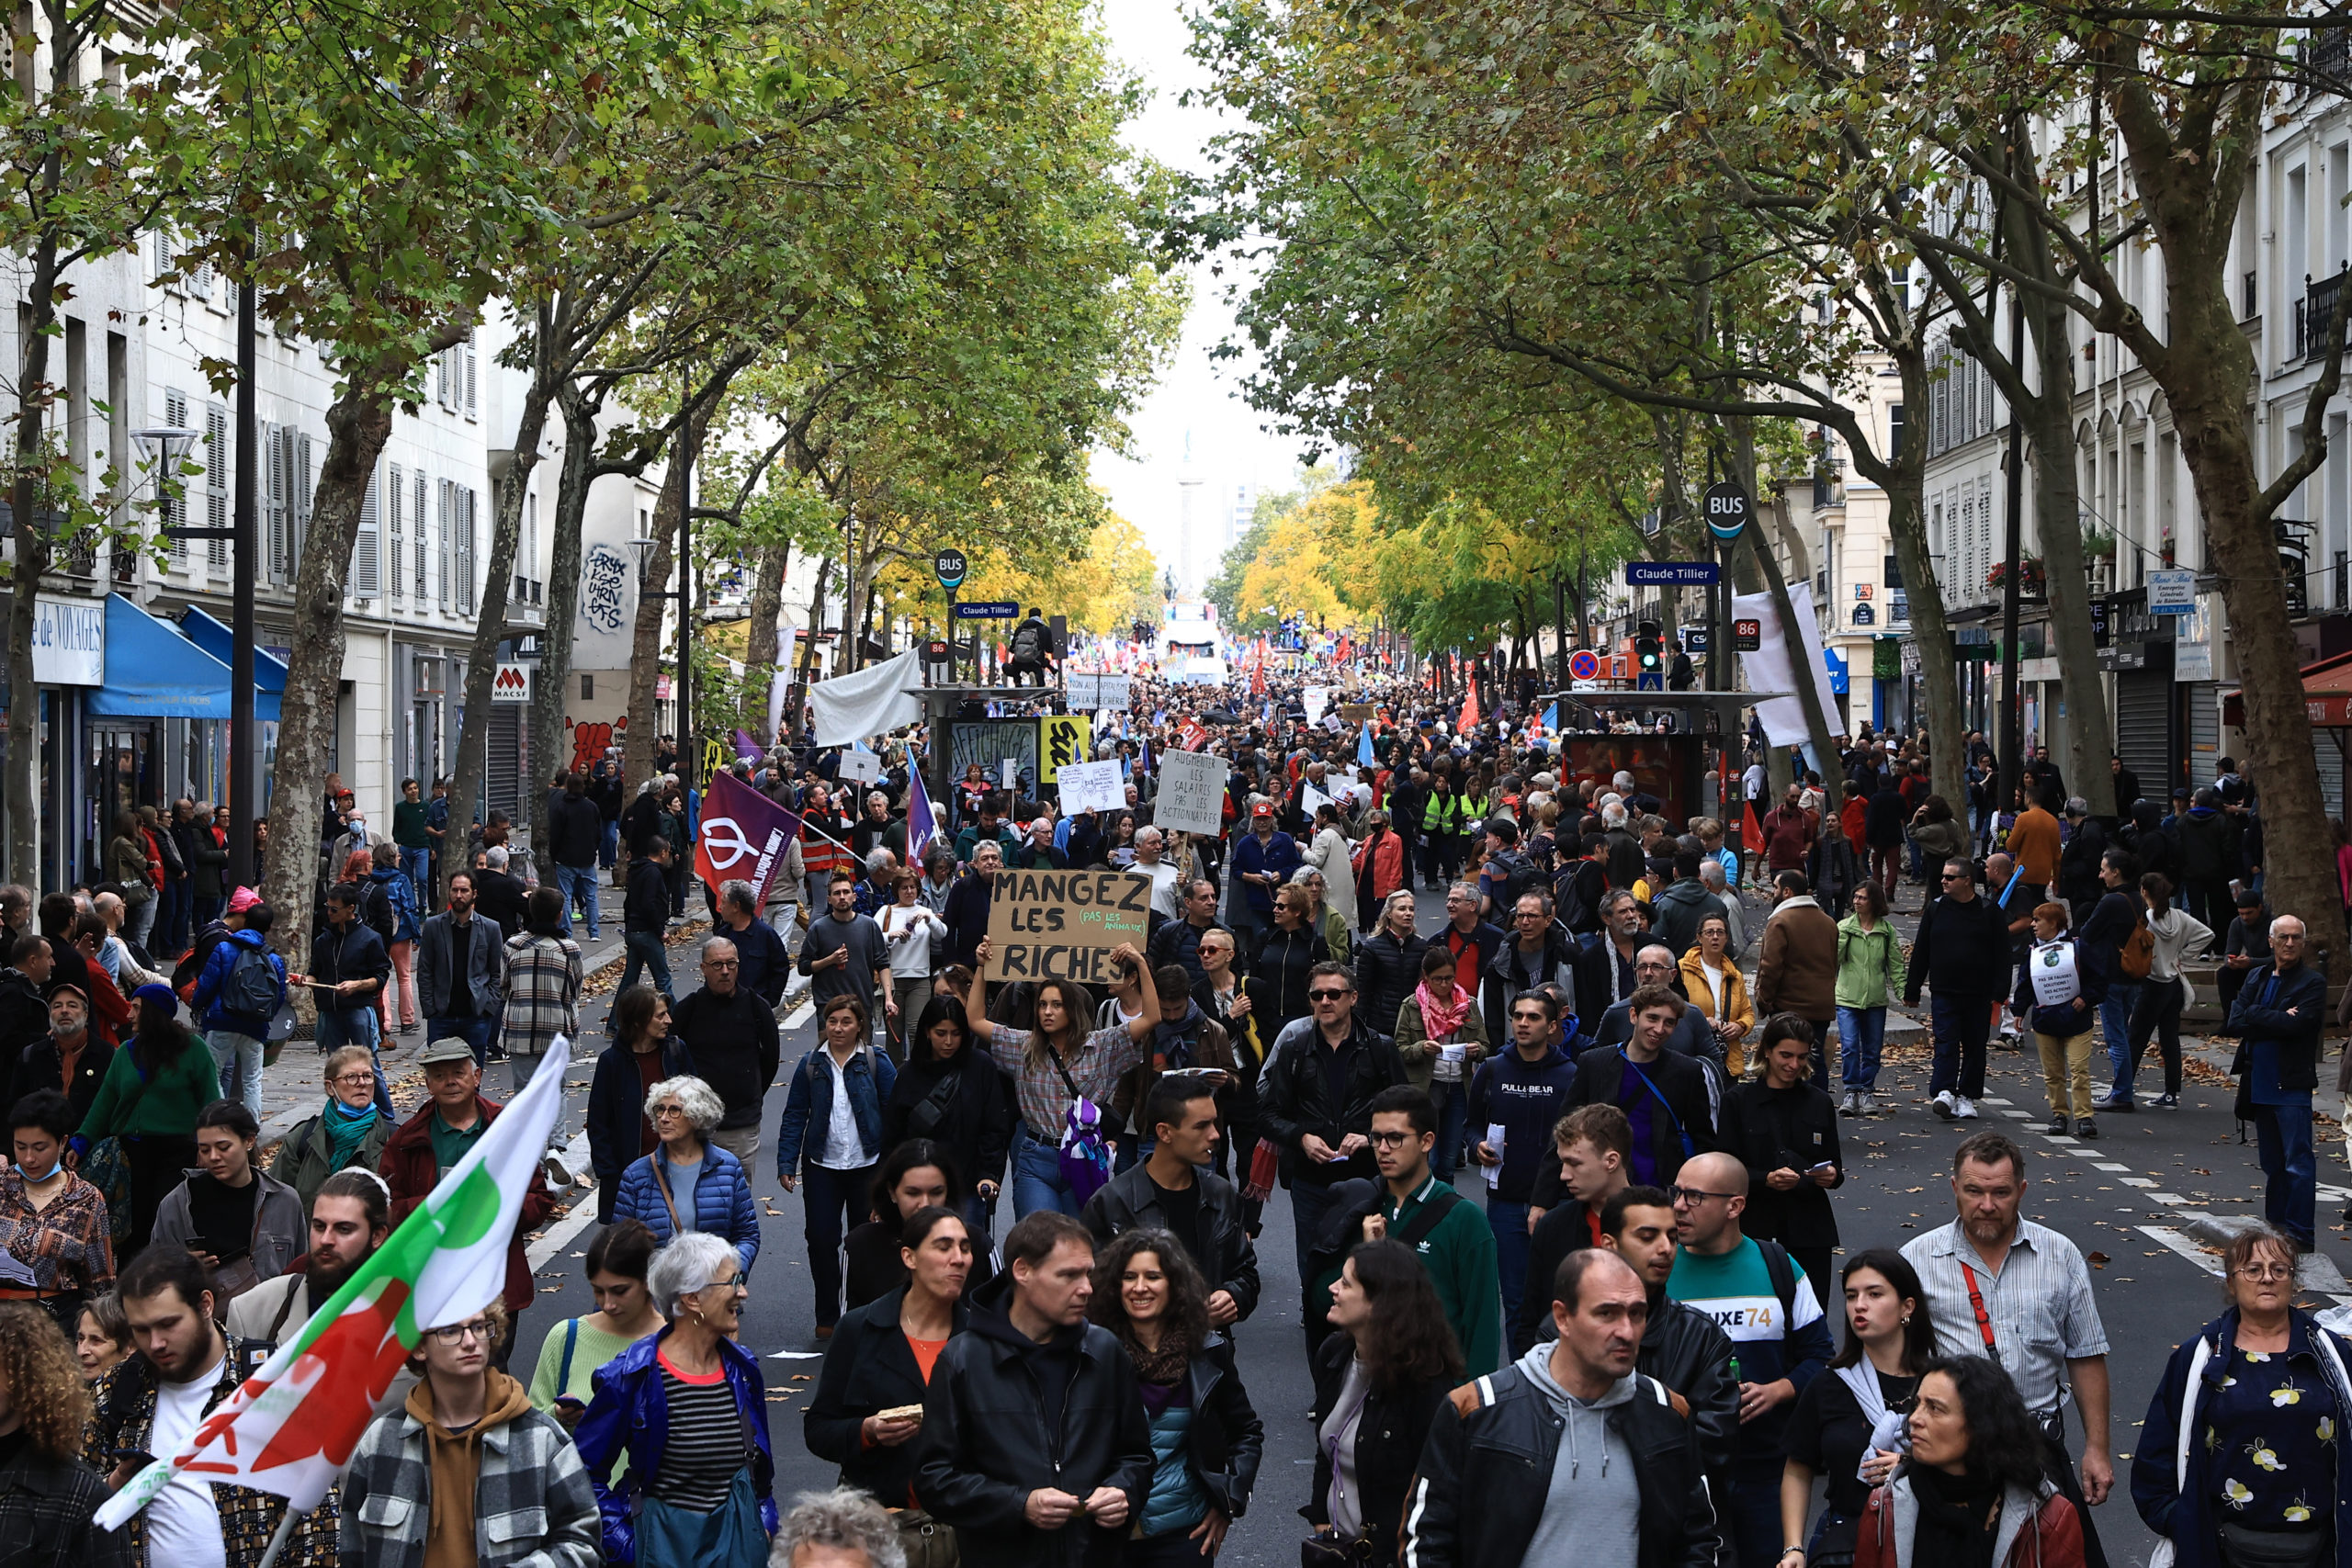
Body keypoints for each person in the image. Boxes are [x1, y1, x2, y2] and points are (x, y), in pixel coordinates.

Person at [1403, 1246, 1724, 1568]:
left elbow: (1697, 1540)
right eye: (1606, 1313)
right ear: (1562, 1317)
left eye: (1637, 1314)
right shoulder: (1477, 1408)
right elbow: (1427, 1540)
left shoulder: (1667, 1412)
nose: (1626, 1331)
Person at [1901, 1132, 2115, 1565]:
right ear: (1954, 1188)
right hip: (1951, 1459)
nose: (1986, 1205)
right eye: (1974, 1191)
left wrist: (2097, 1448)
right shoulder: (1916, 1260)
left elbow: (2086, 1355)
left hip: (2037, 1452)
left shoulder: (2061, 1255)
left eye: (2001, 1193)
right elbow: (1892, 1361)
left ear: (2021, 1190)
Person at [909, 1211, 1153, 1568]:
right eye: (1068, 1275)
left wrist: (1123, 1490)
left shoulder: (1105, 1352)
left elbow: (1137, 1456)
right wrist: (1019, 1504)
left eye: (1088, 1273)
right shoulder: (963, 1360)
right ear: (1022, 1271)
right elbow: (935, 1479)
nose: (1086, 1288)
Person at [85, 1247, 337, 1568]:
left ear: (205, 1305)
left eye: (168, 1324)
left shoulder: (269, 1380)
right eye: (142, 1330)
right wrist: (115, 1485)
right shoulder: (118, 1388)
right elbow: (71, 1508)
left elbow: (319, 1518)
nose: (156, 1343)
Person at [2133, 1224, 2352, 1568]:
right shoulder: (2199, 1358)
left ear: (2294, 1284)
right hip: (2219, 1550)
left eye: (2279, 1270)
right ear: (2231, 1283)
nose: (2267, 1278)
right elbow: (2156, 1453)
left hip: (2322, 1550)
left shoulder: (2330, 1353)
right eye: (2253, 1269)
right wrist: (2185, 1523)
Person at [341, 1284, 601, 1568]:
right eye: (451, 1331)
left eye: (479, 1327)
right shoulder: (381, 1441)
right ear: (418, 1347)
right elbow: (354, 1549)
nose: (470, 1341)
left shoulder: (542, 1440)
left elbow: (584, 1544)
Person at [574, 1233, 778, 1568]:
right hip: (664, 1553)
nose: (743, 1292)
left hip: (738, 1552)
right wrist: (629, 1548)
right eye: (732, 1282)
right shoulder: (631, 1376)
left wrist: (764, 1524)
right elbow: (582, 1476)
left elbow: (760, 1476)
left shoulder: (743, 1369)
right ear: (693, 1299)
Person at [1086, 1227, 1264, 1564]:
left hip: (1184, 1537)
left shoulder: (1209, 1352)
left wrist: (1228, 1502)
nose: (1140, 1287)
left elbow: (1247, 1432)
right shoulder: (1092, 1354)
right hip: (1108, 1537)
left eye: (1153, 1276)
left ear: (1174, 1286)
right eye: (1129, 1277)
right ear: (1114, 1286)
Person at [807, 1205, 973, 1551]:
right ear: (909, 1257)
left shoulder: (984, 1339)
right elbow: (820, 1429)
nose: (959, 1258)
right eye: (943, 1247)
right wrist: (867, 1431)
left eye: (965, 1247)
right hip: (878, 1533)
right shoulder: (860, 1328)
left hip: (965, 1533)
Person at [380, 1040, 554, 1365]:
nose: (450, 1081)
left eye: (458, 1073)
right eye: (440, 1074)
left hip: (496, 1283)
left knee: (492, 1374)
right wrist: (435, 1208)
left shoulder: (507, 1129)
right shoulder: (407, 1139)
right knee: (437, 1373)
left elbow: (539, 1201)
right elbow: (388, 1210)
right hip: (432, 1283)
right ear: (428, 1083)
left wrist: (493, 1210)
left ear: (477, 1076)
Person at [964, 938, 1159, 1219]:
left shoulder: (1103, 1045)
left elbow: (1152, 1017)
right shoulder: (1023, 1045)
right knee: (1039, 1242)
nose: (1047, 1011)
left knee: (1078, 1243)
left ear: (1073, 1009)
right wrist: (982, 968)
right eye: (1042, 1004)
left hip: (1084, 1159)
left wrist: (1139, 964)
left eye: (1057, 1004)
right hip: (1035, 1157)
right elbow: (975, 1020)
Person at [1306, 1239, 1464, 1568]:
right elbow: (1328, 1444)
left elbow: (1439, 1492)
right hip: (1340, 1552)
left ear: (1379, 1304)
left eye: (1346, 1283)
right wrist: (1321, 1514)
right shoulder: (1334, 1356)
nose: (1333, 1288)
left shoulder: (1425, 1385)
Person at [1778, 1250, 1938, 1568]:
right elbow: (1798, 1468)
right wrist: (1793, 1548)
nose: (1859, 1305)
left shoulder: (1941, 1385)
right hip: (1844, 1544)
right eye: (1851, 1296)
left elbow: (1970, 1463)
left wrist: (1909, 1466)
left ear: (1907, 1307)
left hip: (1928, 1539)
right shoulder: (1829, 1385)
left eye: (1874, 1294)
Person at [1851, 1357, 2086, 1568]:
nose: (1914, 1419)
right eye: (1917, 1404)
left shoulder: (2048, 1518)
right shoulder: (1884, 1508)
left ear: (1981, 1425)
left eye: (1934, 1408)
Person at [1256, 960, 1408, 1282]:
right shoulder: (1295, 1050)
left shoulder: (1380, 1049)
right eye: (1317, 995)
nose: (1324, 1001)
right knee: (1314, 1270)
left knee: (1368, 1268)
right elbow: (1269, 1114)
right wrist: (1301, 1138)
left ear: (1353, 997)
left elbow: (1407, 1111)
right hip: (1311, 1180)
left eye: (1333, 994)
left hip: (1368, 1179)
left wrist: (1370, 1138)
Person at [1080, 1077, 1260, 1328]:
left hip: (1210, 1356)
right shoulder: (1111, 1203)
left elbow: (1245, 1272)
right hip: (1137, 1356)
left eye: (1215, 1122)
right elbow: (1093, 1294)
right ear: (1165, 1132)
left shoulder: (1222, 1195)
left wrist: (1233, 1295)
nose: (1215, 1135)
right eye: (1201, 1126)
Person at [75, 987, 221, 1258]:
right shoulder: (125, 1053)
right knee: (133, 1226)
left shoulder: (194, 1049)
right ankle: (130, 1288)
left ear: (154, 1012)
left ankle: (166, 1279)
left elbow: (211, 1102)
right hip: (132, 1155)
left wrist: (207, 1146)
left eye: (137, 1007)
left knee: (164, 1218)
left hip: (177, 1153)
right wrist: (82, 1140)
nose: (129, 1014)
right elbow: (105, 1102)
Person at [1468, 990, 1579, 1321]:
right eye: (1518, 1016)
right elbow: (1471, 1125)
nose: (1523, 1024)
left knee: (1558, 1302)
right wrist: (1476, 1146)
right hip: (1506, 1202)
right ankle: (1522, 1372)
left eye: (1533, 1017)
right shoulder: (1491, 1070)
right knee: (1515, 1301)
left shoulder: (1570, 1074)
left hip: (1558, 1202)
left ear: (1552, 1026)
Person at [1720, 1018, 1844, 1308]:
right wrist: (1765, 1179)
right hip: (1755, 1225)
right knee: (1755, 1310)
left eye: (1801, 1057)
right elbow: (1725, 1170)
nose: (1793, 1065)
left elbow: (1835, 1166)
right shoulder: (1738, 1101)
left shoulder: (1819, 1102)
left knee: (1810, 1311)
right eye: (1785, 1055)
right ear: (1766, 1052)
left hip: (1809, 1227)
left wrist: (1831, 1175)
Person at [0, 1298, 128, 1567]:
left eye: (96, 1340)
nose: (84, 1350)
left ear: (24, 1377)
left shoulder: (79, 1496)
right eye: (80, 1339)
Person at [2229, 915, 2326, 1249]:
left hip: (2291, 1084)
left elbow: (2298, 1027)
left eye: (2296, 937)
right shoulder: (2256, 975)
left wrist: (2258, 1016)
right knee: (2272, 1163)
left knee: (2298, 1163)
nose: (2289, 943)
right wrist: (2276, 1017)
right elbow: (2236, 1018)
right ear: (2270, 941)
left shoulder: (2311, 983)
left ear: (2303, 942)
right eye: (2283, 937)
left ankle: (2300, 1234)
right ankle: (2276, 1228)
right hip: (2259, 1081)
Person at [148, 1099, 304, 1303]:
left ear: (249, 1141)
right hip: (202, 1323)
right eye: (204, 1149)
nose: (213, 1157)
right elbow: (151, 1276)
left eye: (223, 1147)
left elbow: (302, 1272)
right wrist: (179, 1268)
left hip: (270, 1324)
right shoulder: (177, 1204)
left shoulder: (285, 1201)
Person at [1564, 983, 1715, 1188]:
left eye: (1669, 1023)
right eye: (1652, 1018)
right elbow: (1566, 1129)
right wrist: (1544, 1199)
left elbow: (1703, 1137)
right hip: (1602, 1187)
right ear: (1634, 1015)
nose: (1659, 1029)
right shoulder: (1594, 1063)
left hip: (1661, 1188)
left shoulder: (1686, 1071)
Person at [881, 994, 1012, 1231]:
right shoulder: (908, 1075)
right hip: (920, 1186)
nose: (949, 1041)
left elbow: (994, 1126)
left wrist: (989, 1173)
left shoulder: (981, 1067)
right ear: (927, 1032)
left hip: (968, 1185)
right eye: (941, 1034)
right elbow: (894, 1135)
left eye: (956, 1033)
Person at [226, 1168, 390, 1348]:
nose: (326, 1240)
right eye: (319, 1226)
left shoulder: (409, 1317)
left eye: (344, 1229)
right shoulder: (252, 1309)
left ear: (377, 1236)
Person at [614, 1075, 761, 1273]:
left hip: (712, 1293)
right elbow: (618, 1248)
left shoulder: (727, 1167)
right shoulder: (636, 1175)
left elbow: (746, 1235)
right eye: (660, 1109)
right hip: (655, 1297)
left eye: (674, 1110)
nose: (664, 1118)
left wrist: (731, 1274)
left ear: (697, 1116)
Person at [526, 1218, 662, 1429]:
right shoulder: (565, 1337)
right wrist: (558, 1415)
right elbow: (531, 1423)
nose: (608, 1304)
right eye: (598, 1291)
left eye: (620, 1291)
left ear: (647, 1281)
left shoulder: (675, 1342)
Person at [1905, 859, 2010, 1122]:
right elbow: (1922, 950)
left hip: (1979, 992)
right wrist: (1913, 988)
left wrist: (2000, 991)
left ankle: (1967, 1095)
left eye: (1950, 877)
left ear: (1967, 880)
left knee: (1975, 1045)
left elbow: (2002, 954)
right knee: (1945, 1041)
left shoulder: (1989, 912)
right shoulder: (1936, 909)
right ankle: (1944, 1090)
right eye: (1943, 876)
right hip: (1944, 990)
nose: (1944, 881)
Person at [0, 1089, 112, 1335]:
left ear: (62, 1142)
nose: (29, 1158)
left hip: (55, 1323)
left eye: (40, 1148)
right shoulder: (2, 1186)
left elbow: (99, 1282)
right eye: (21, 1147)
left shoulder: (85, 1199)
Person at [843, 1142, 994, 1311]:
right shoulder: (860, 1245)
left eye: (936, 1192)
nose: (925, 1204)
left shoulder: (977, 1243)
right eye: (913, 1193)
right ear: (892, 1192)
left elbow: (1005, 1323)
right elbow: (848, 1328)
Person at [672, 935, 783, 1165]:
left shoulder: (756, 1007)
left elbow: (770, 1059)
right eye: (717, 965)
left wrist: (751, 1095)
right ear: (703, 968)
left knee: (738, 1195)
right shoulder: (688, 1009)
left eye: (731, 964)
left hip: (741, 1125)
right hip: (696, 1123)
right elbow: (672, 1056)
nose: (725, 971)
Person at [587, 986, 695, 1224]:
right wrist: (610, 1172)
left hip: (677, 1170)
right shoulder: (611, 1063)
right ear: (637, 1021)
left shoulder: (677, 1051)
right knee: (632, 1252)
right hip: (629, 1176)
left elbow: (698, 1106)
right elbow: (598, 1122)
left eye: (667, 1013)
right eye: (660, 1015)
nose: (669, 1020)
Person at [2111, 872, 2211, 1113]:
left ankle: (2122, 1089)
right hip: (2174, 983)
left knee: (2136, 1038)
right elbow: (2207, 934)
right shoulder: (2179, 917)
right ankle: (2170, 1093)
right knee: (2170, 1039)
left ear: (2144, 891)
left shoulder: (2145, 919)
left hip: (2152, 982)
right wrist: (2182, 957)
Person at [1392, 945, 1488, 1184]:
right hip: (1427, 1086)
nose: (1444, 984)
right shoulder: (1412, 1005)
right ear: (1426, 976)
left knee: (1448, 1159)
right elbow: (1398, 1049)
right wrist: (1421, 1048)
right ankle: (1428, 1208)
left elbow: (1486, 1045)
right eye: (1437, 979)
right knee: (1430, 1158)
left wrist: (1477, 1050)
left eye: (1449, 978)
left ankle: (1445, 1210)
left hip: (1458, 1085)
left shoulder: (1469, 1005)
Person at [2012, 902, 2105, 1141]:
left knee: (2078, 1069)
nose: (2033, 925)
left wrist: (2086, 998)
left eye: (2037, 920)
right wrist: (2019, 1010)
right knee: (2052, 1072)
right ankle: (2059, 1114)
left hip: (2077, 1021)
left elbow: (2100, 979)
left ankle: (2084, 1117)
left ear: (2053, 924)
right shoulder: (2032, 950)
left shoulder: (2078, 947)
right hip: (2046, 1021)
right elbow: (2024, 983)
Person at [188, 898, 285, 1124]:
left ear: (244, 922)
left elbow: (207, 983)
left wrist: (198, 1007)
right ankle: (251, 1130)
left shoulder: (224, 948)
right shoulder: (274, 959)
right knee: (253, 1080)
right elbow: (278, 996)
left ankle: (219, 1124)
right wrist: (266, 1018)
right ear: (269, 927)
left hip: (223, 1021)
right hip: (256, 1025)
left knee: (213, 1074)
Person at [293, 883, 392, 1095]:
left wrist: (357, 985)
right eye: (327, 907)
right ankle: (340, 1112)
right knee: (335, 1069)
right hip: (330, 1011)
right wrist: (305, 980)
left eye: (334, 909)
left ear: (351, 909)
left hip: (358, 1009)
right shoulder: (323, 940)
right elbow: (315, 972)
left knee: (369, 1066)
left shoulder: (370, 938)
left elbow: (381, 976)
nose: (328, 913)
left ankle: (384, 1116)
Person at [416, 868, 508, 1067]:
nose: (459, 895)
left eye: (464, 890)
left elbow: (496, 972)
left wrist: (488, 1007)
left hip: (476, 1016)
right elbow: (424, 970)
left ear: (474, 894)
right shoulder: (433, 926)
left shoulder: (490, 928)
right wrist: (430, 1008)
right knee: (441, 1075)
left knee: (473, 1076)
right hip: (441, 1016)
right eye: (455, 890)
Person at [1755, 872, 1839, 1080]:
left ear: (1786, 891)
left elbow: (1770, 967)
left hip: (1788, 1006)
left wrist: (1764, 1000)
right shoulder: (1828, 922)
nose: (1773, 891)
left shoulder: (1780, 921)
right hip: (1821, 1007)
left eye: (1775, 887)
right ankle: (1817, 1109)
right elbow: (1832, 963)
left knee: (1785, 1063)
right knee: (1815, 1060)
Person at [1832, 880, 1905, 1116]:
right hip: (1847, 998)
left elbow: (1895, 965)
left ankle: (1867, 1091)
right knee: (1850, 1047)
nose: (1856, 901)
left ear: (1874, 901)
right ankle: (1851, 1090)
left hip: (1875, 1000)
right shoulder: (1844, 927)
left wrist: (1903, 992)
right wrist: (1842, 937)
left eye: (1862, 897)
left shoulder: (1886, 931)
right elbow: (1835, 960)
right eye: (1855, 896)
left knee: (1872, 1050)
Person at [502, 886, 583, 1094]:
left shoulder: (514, 945)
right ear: (559, 914)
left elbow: (503, 985)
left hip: (520, 1029)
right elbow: (575, 990)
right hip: (557, 1030)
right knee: (554, 1091)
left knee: (523, 1092)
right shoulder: (569, 949)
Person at [1481, 890, 1581, 1048]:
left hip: (1561, 1046)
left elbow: (1583, 1003)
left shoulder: (1567, 954)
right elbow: (1493, 1018)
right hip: (1515, 1048)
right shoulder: (1500, 963)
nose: (1525, 922)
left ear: (1548, 920)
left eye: (1532, 916)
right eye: (1520, 916)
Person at [8, 985, 111, 1137]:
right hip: (40, 1151)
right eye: (57, 1006)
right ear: (50, 1015)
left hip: (91, 1151)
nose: (64, 1011)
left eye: (72, 1005)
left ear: (86, 1014)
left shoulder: (108, 1056)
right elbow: (13, 1110)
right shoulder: (30, 1056)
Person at [1680, 912, 1756, 1074]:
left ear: (1726, 938)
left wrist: (1740, 1026)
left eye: (1720, 932)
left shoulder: (1735, 975)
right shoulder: (1682, 970)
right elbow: (1672, 1010)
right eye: (1709, 932)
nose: (1715, 937)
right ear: (1699, 937)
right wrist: (1701, 1021)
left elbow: (1748, 1013)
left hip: (1728, 1060)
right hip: (1692, 1056)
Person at [619, 834, 676, 1002]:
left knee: (629, 983)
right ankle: (678, 1019)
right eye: (668, 852)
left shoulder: (638, 870)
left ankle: (614, 1025)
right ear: (663, 852)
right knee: (663, 980)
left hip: (634, 929)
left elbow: (628, 902)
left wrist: (628, 926)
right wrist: (660, 931)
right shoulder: (653, 873)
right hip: (647, 931)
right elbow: (648, 904)